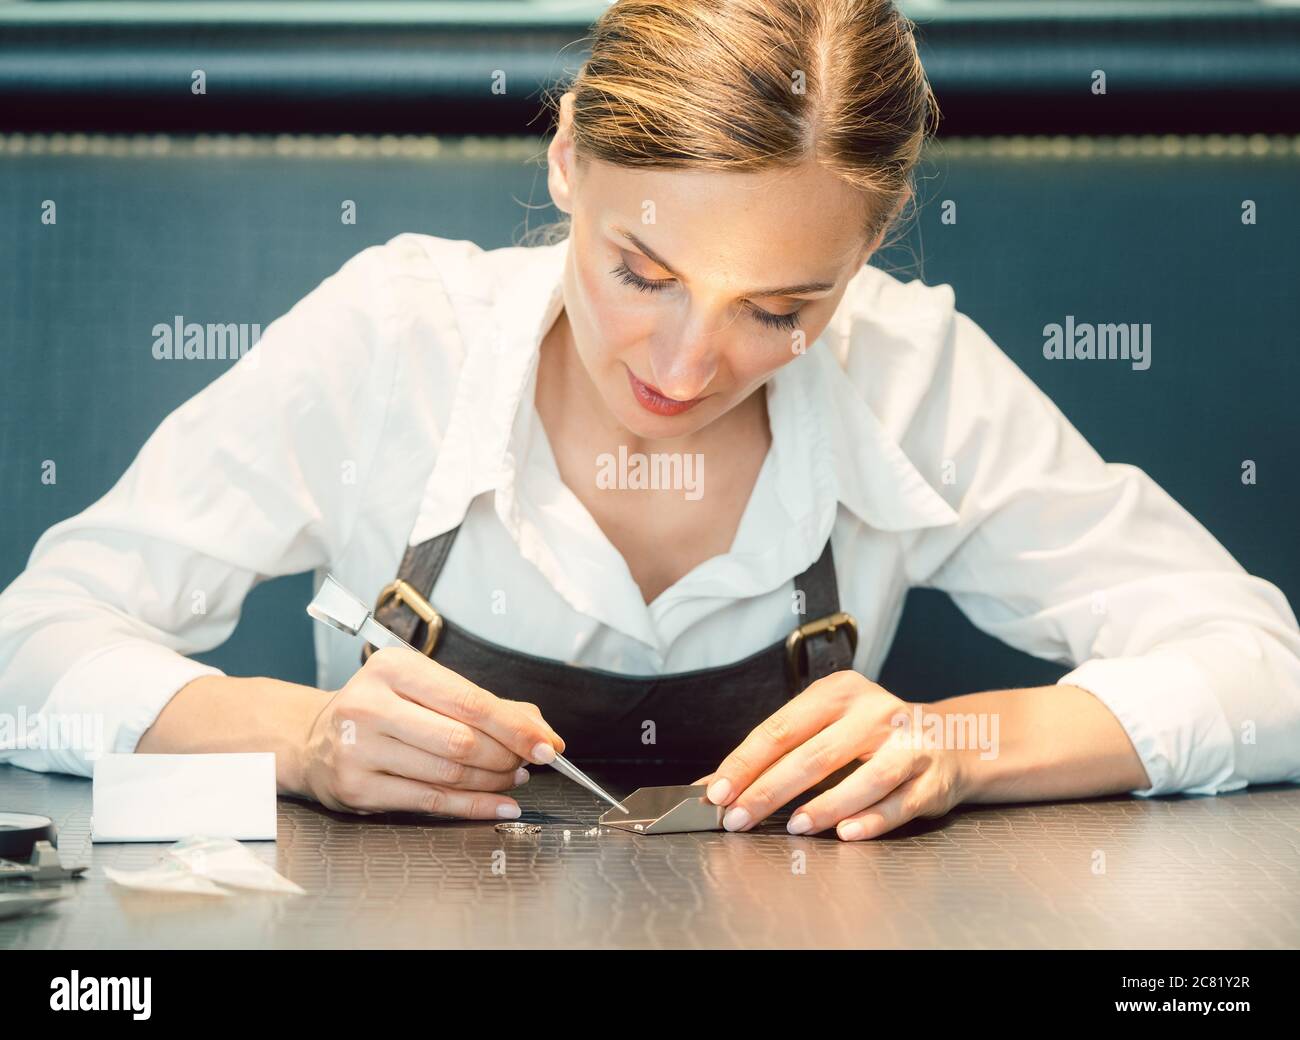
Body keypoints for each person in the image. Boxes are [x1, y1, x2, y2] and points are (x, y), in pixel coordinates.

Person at [2, 0, 1298, 842]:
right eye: (642, 273)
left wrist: (956, 742)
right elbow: (30, 658)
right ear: (568, 156)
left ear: (865, 262)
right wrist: (303, 740)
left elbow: (1264, 675)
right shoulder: (391, 343)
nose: (687, 366)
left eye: (781, 309)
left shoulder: (910, 370)